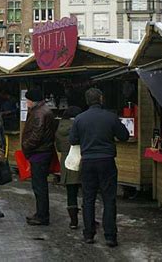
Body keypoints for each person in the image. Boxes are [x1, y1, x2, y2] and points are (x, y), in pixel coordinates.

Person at [69, 88, 129, 247]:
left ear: (87, 101)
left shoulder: (79, 119)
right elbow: (124, 136)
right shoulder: (111, 117)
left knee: (88, 198)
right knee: (109, 198)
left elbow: (73, 140)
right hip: (107, 160)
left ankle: (88, 234)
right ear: (101, 99)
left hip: (88, 161)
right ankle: (110, 236)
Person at [21, 87, 57, 226]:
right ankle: (40, 213)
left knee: (39, 186)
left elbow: (36, 135)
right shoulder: (44, 110)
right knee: (40, 185)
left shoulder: (39, 114)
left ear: (32, 100)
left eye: (27, 100)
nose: (26, 103)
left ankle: (42, 215)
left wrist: (26, 146)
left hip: (39, 153)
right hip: (43, 151)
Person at [55, 106, 82, 229]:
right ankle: (89, 219)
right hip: (81, 160)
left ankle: (73, 221)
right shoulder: (79, 126)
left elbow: (58, 147)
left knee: (71, 192)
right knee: (87, 191)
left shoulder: (60, 127)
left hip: (67, 161)